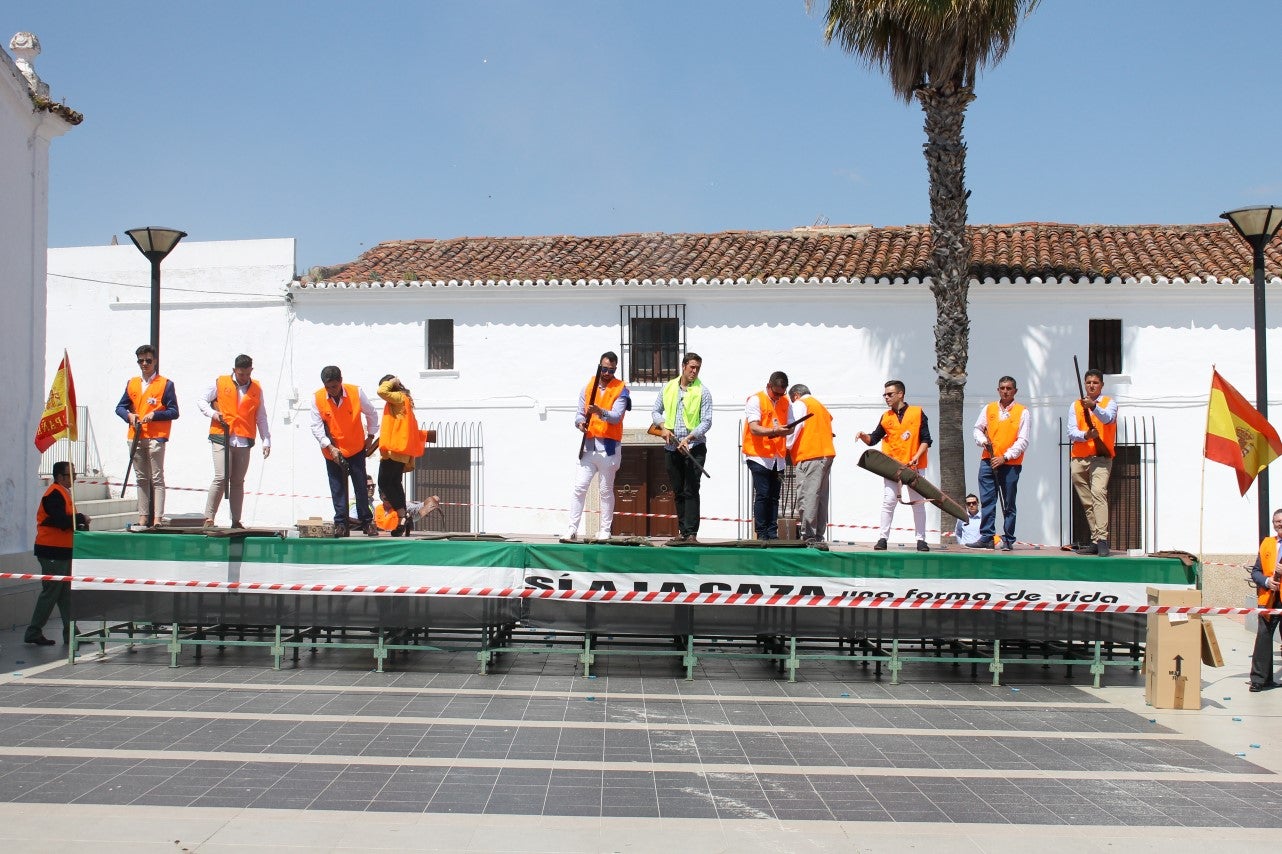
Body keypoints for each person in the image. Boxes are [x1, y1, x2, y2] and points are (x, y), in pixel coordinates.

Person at [857, 379, 932, 552]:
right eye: (885, 395)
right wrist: (863, 436)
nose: (886, 397)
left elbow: (926, 439)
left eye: (890, 394)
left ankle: (921, 540)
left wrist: (916, 456)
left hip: (914, 467)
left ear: (900, 394)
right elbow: (873, 439)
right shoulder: (886, 417)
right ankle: (883, 538)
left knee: (917, 503)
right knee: (889, 501)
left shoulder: (917, 412)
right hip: (892, 467)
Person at [197, 354, 270, 528]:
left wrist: (266, 439)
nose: (244, 377)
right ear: (234, 370)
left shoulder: (256, 388)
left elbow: (261, 416)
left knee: (238, 481)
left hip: (244, 438)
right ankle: (209, 517)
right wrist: (214, 414)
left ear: (251, 370)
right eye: (240, 374)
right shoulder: (220, 382)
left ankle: (236, 520)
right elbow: (201, 401)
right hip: (221, 435)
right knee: (221, 476)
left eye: (247, 374)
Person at [566, 352, 631, 541]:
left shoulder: (621, 389)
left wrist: (600, 411)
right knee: (579, 488)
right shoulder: (588, 387)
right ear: (599, 367)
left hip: (609, 449)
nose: (607, 373)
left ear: (615, 369)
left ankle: (605, 530)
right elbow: (579, 413)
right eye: (604, 369)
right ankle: (572, 529)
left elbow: (616, 416)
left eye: (611, 370)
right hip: (588, 446)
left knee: (605, 491)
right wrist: (580, 423)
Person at [114, 344, 179, 528]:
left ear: (155, 361)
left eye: (148, 360)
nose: (144, 364)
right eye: (141, 361)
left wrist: (155, 415)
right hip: (136, 435)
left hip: (156, 436)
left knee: (157, 478)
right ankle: (143, 517)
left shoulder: (165, 384)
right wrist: (129, 416)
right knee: (141, 478)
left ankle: (157, 518)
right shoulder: (132, 383)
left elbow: (174, 411)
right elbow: (120, 407)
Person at [310, 366, 378, 537]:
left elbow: (371, 413)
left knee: (360, 486)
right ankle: (341, 523)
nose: (332, 390)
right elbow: (316, 427)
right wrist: (330, 447)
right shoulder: (317, 398)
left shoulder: (356, 392)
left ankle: (367, 522)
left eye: (334, 386)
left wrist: (370, 436)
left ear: (341, 381)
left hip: (355, 448)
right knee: (337, 488)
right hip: (332, 451)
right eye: (328, 387)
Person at [26, 461, 89, 646]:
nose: (75, 478)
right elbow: (61, 521)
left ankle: (71, 633)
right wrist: (81, 518)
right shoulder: (54, 494)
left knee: (65, 593)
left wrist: (79, 522)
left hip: (62, 550)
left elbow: (65, 521)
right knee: (52, 592)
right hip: (52, 550)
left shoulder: (63, 493)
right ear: (60, 477)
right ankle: (34, 631)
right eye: (71, 474)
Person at [652, 352, 712, 544]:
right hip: (672, 448)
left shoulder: (703, 392)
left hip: (694, 447)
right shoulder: (668, 387)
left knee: (691, 489)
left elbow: (707, 421)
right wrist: (663, 427)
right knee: (678, 490)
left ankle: (692, 533)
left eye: (698, 368)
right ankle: (683, 531)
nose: (695, 371)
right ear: (683, 366)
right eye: (692, 367)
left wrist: (689, 437)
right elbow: (655, 411)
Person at [969, 376, 1030, 551]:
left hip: (1010, 464)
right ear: (998, 390)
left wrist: (1005, 457)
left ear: (1015, 391)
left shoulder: (1022, 411)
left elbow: (1023, 440)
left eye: (1009, 388)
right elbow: (978, 429)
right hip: (988, 460)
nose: (1005, 391)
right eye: (1002, 388)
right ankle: (987, 536)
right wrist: (983, 441)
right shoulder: (989, 408)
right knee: (988, 500)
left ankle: (1008, 538)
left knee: (1008, 502)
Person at [1068, 368, 1117, 556]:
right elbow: (1071, 431)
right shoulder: (1075, 405)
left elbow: (1108, 418)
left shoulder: (1109, 403)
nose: (1091, 385)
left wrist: (1094, 407)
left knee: (1098, 494)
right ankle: (1095, 539)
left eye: (1095, 382)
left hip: (1101, 457)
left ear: (1101, 385)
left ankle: (1102, 539)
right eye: (1088, 382)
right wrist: (1086, 435)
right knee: (1087, 501)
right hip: (1079, 457)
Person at [742, 371, 795, 540]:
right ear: (768, 386)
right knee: (763, 494)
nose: (779, 397)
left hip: (778, 457)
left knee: (774, 496)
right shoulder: (756, 400)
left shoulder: (785, 401)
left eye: (782, 393)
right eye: (776, 393)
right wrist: (774, 431)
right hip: (758, 456)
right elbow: (754, 428)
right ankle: (762, 532)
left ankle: (772, 533)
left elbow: (791, 426)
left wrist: (787, 430)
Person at [377, 374, 428, 536]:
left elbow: (381, 391)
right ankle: (403, 518)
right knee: (394, 483)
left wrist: (393, 381)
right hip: (401, 450)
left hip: (395, 449)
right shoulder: (405, 399)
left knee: (384, 483)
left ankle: (402, 516)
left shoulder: (398, 397)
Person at [787, 383, 835, 543]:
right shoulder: (821, 407)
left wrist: (785, 445)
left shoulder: (800, 404)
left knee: (807, 496)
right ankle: (818, 535)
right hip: (825, 454)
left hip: (809, 455)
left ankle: (809, 535)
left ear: (795, 395)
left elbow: (794, 427)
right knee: (820, 498)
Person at [1249, 509, 1282, 691]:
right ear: (1273, 524)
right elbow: (1256, 572)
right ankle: (1259, 680)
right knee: (1263, 636)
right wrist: (1267, 582)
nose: (1280, 524)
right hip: (1269, 598)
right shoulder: (1267, 543)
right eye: (1277, 521)